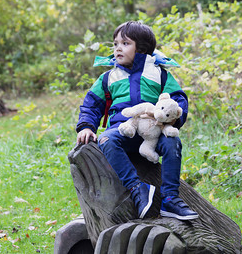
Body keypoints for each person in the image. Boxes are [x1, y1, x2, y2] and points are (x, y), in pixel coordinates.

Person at [76, 21, 198, 220]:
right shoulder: (109, 77)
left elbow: (178, 98)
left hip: (155, 129)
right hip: (124, 129)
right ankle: (137, 189)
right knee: (107, 139)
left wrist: (175, 117)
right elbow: (92, 103)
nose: (117, 48)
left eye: (125, 43)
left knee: (172, 142)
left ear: (141, 48)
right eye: (115, 44)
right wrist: (86, 126)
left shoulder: (159, 74)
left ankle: (170, 199)